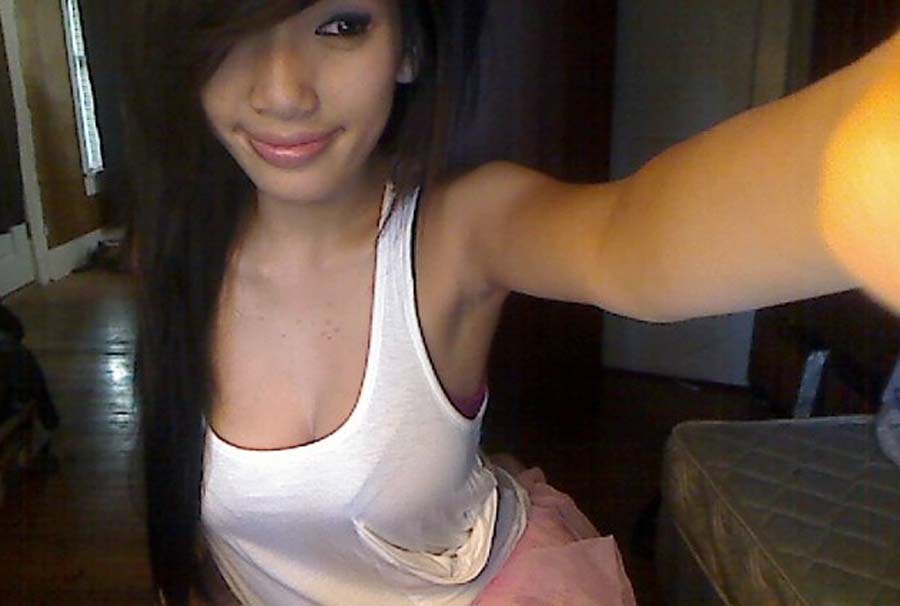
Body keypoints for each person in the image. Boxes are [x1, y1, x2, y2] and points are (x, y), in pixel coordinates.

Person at [119, 1, 900, 604]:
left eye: (342, 24)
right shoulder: (171, 256)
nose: (283, 92)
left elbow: (631, 240)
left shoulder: (463, 231)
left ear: (409, 46)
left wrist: (864, 167)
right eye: (231, 28)